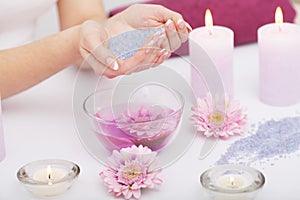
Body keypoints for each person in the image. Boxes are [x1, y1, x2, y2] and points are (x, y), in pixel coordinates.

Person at [0, 0, 191, 99]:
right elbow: (74, 39)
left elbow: (81, 19)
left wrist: (108, 34)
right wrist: (73, 44)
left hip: (36, 95)